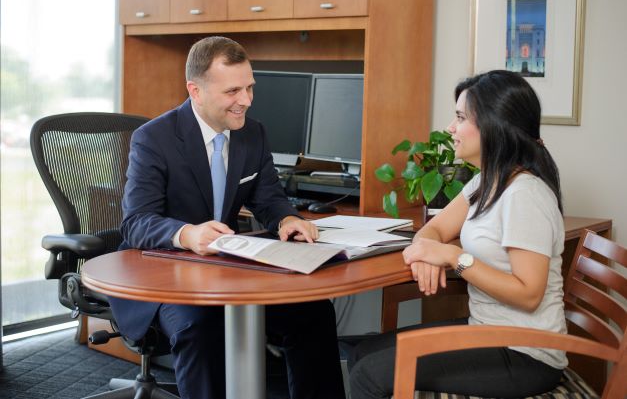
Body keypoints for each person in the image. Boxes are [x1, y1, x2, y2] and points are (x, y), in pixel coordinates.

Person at [108, 36, 346, 399]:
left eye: (249, 87)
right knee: (202, 327)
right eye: (233, 90)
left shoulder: (252, 133)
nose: (247, 100)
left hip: (227, 270)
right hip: (164, 275)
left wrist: (287, 220)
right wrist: (187, 234)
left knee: (312, 313)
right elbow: (136, 221)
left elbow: (268, 198)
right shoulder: (153, 139)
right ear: (196, 91)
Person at [349, 70, 567, 399]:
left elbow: (528, 294)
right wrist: (427, 252)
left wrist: (452, 257)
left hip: (526, 354)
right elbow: (434, 228)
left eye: (460, 117)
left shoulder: (525, 195)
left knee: (370, 375)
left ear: (494, 126)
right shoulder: (487, 181)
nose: (451, 128)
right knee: (363, 354)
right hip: (487, 332)